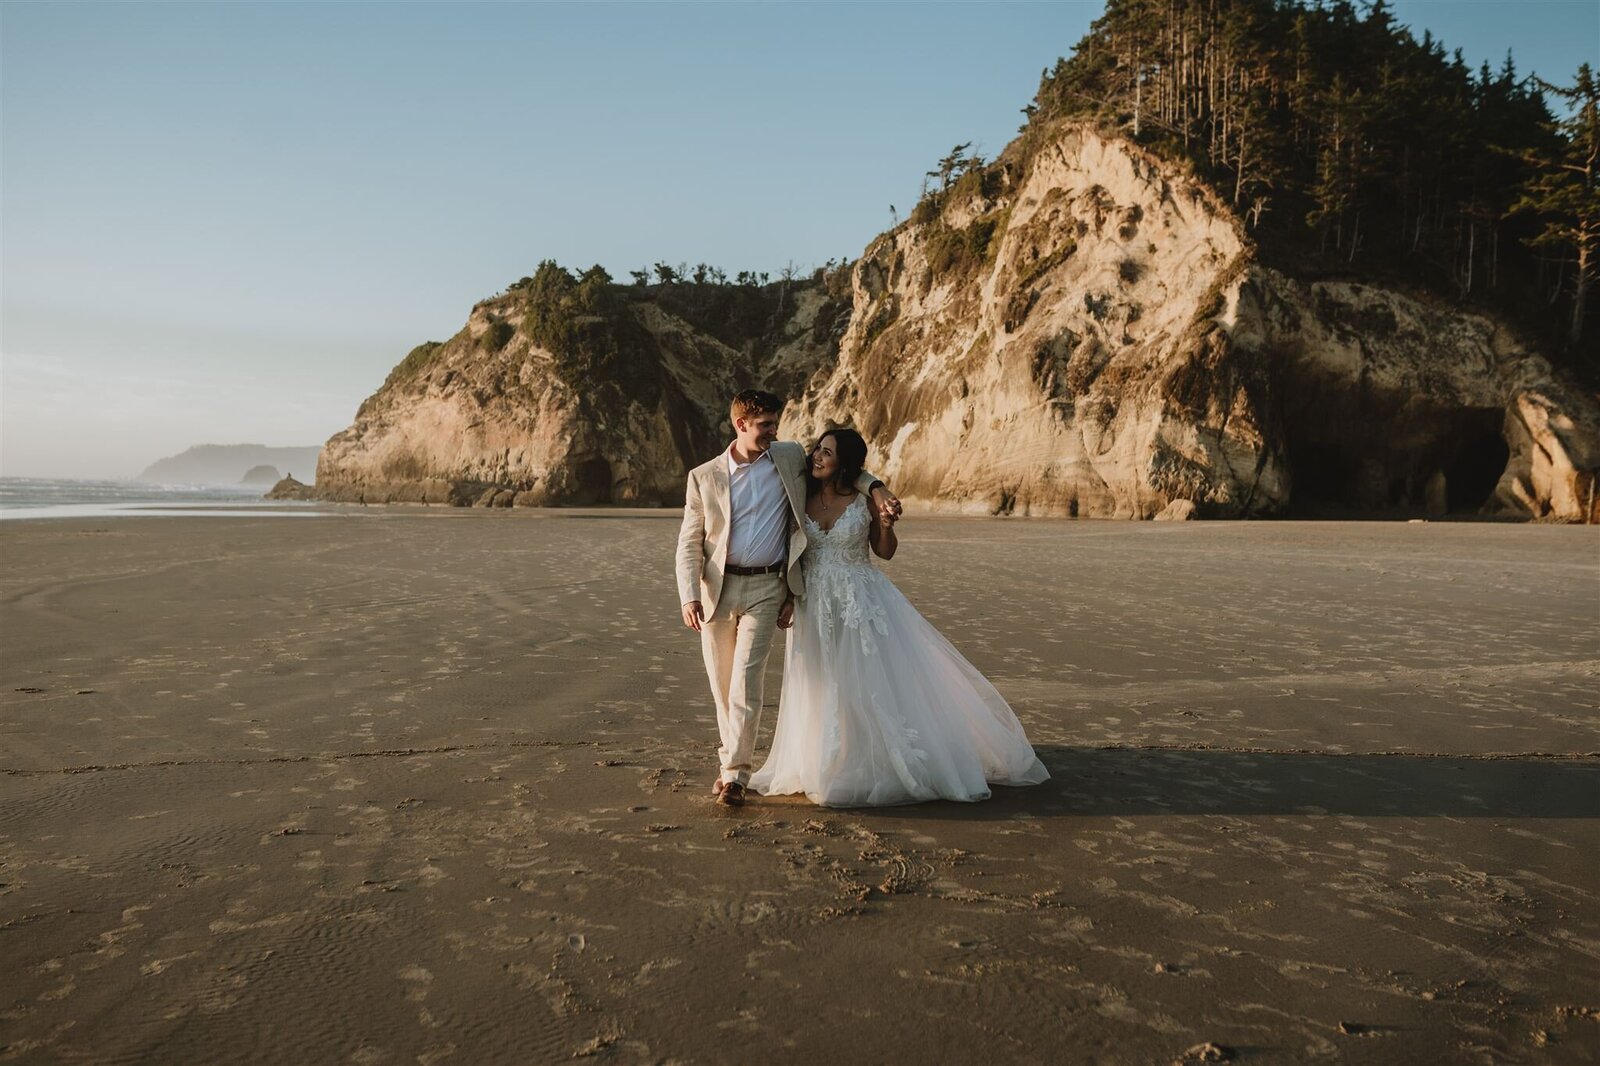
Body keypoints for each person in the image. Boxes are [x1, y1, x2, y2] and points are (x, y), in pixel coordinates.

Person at [750, 427, 1049, 807]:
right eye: (818, 450)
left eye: (827, 452)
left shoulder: (862, 499)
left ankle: (872, 761)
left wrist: (886, 524)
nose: (818, 457)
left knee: (867, 680)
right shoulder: (800, 493)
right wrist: (789, 597)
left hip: (860, 599)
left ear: (846, 463)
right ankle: (821, 759)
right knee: (820, 681)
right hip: (814, 603)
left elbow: (884, 551)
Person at [676, 391, 901, 807]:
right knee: (722, 686)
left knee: (746, 679)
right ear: (741, 425)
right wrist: (689, 595)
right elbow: (690, 542)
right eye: (765, 426)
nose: (773, 432)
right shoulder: (703, 476)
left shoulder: (789, 458)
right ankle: (730, 762)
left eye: (775, 425)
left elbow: (846, 469)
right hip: (716, 592)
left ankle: (736, 777)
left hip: (768, 587)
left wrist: (878, 487)